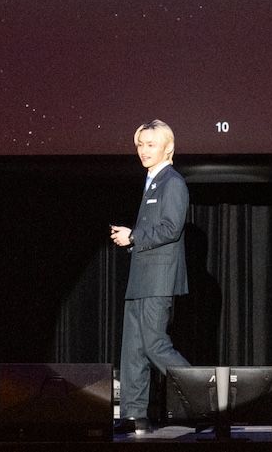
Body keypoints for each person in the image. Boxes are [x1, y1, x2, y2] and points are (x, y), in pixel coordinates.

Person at [109, 119, 190, 434]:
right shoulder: (152, 181)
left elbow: (171, 228)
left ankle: (208, 401)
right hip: (140, 279)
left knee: (155, 345)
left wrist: (133, 236)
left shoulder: (172, 182)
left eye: (151, 144)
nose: (144, 150)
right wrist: (132, 238)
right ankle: (133, 415)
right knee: (133, 350)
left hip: (158, 279)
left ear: (168, 148)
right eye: (141, 145)